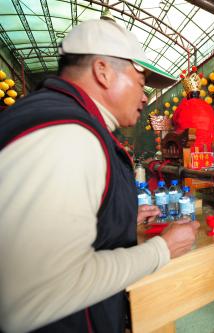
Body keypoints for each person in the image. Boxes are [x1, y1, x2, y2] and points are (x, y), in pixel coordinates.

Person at [0, 19, 200, 333]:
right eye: (140, 81)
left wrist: (114, 222)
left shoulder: (63, 121)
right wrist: (162, 249)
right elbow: (35, 294)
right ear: (103, 71)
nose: (146, 97)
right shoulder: (66, 135)